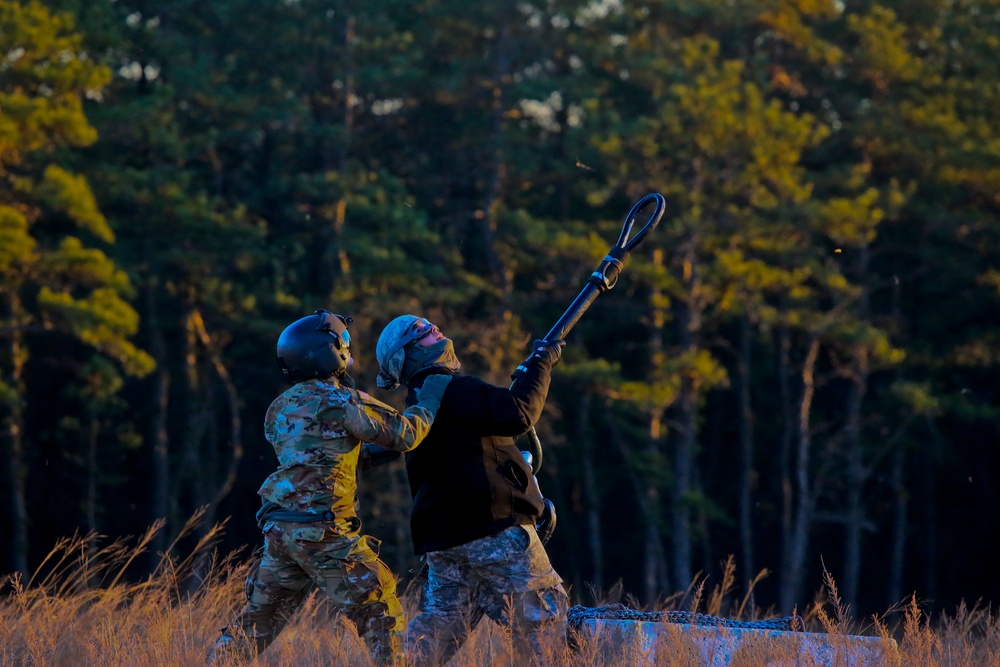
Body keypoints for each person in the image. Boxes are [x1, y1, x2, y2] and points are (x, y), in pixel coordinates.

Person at [209, 309, 451, 665]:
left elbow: (322, 454)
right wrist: (432, 395)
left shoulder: (280, 407)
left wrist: (371, 454)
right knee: (381, 611)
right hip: (322, 530)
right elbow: (404, 434)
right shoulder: (341, 400)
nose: (348, 350)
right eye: (343, 343)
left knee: (256, 625)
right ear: (329, 351)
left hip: (281, 530)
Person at [375, 315, 569, 666]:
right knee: (544, 621)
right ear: (409, 354)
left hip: (443, 542)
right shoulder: (450, 387)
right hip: (493, 527)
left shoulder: (418, 405)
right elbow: (519, 414)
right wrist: (541, 363)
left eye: (429, 325)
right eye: (421, 332)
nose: (434, 328)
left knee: (437, 633)